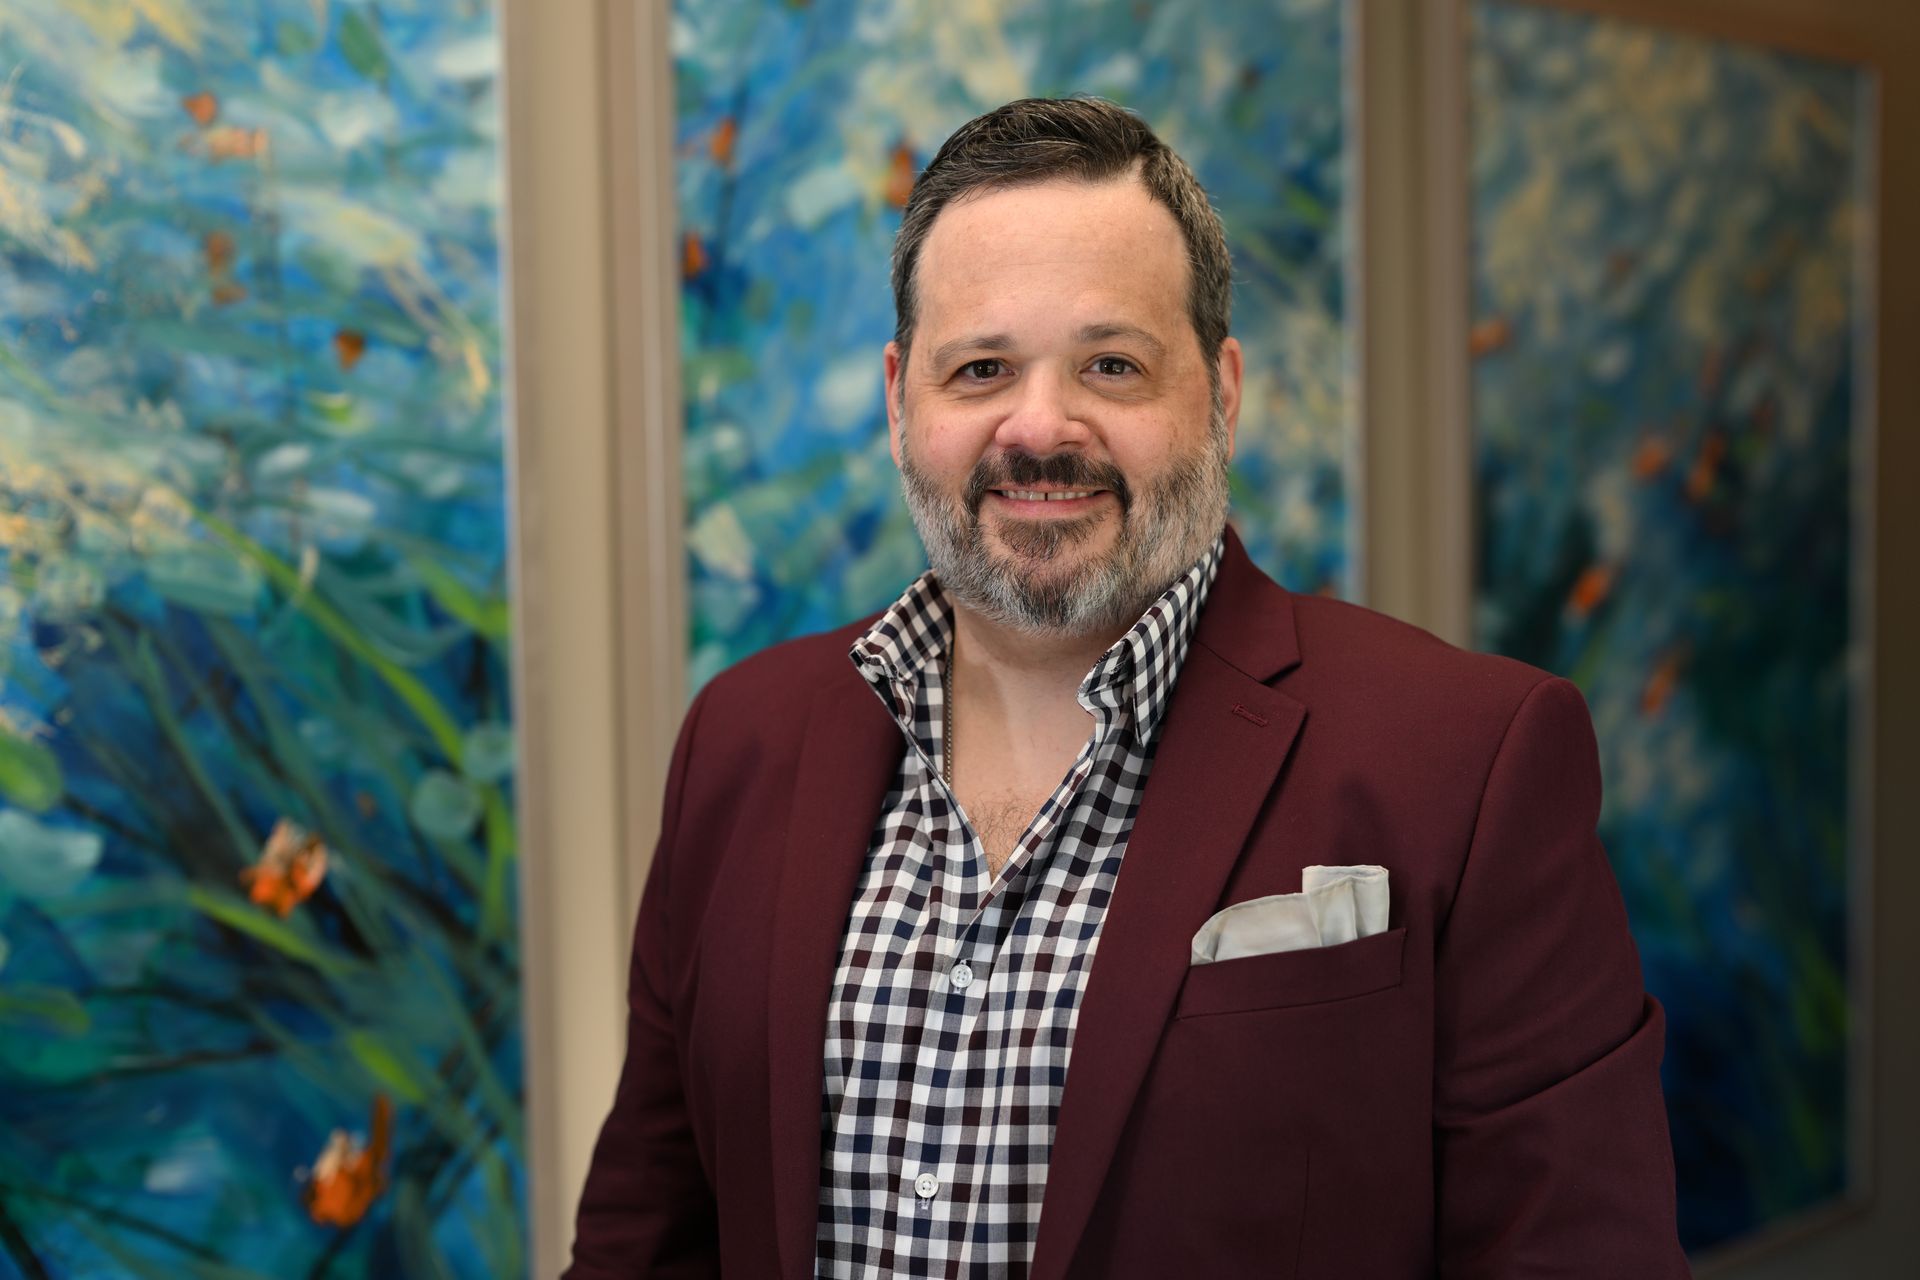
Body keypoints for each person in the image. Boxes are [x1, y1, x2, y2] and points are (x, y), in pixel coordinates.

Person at [564, 97, 1688, 1279]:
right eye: (981, 367)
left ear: (1222, 389)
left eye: (1112, 364)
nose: (1041, 427)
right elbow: (649, 1229)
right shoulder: (741, 740)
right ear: (901, 402)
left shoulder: (1470, 757)